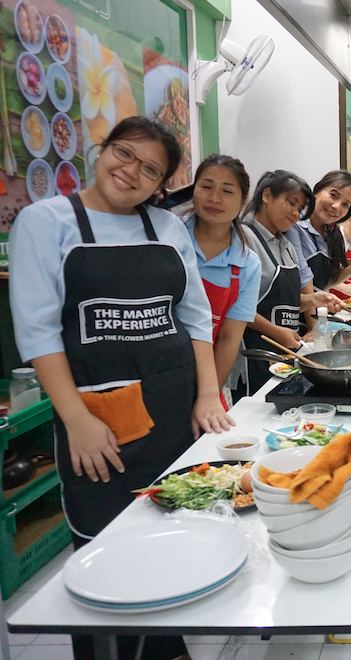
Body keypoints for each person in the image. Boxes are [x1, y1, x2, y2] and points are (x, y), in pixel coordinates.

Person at [9, 117, 233, 660]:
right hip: (100, 422)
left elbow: (196, 318)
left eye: (150, 169)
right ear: (101, 150)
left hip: (176, 410)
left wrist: (208, 395)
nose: (131, 172)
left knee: (177, 533)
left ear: (160, 185)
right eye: (124, 154)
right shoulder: (46, 223)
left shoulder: (166, 228)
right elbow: (38, 333)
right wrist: (76, 420)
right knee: (105, 556)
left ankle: (167, 649)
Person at [239, 171, 344, 396]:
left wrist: (313, 299)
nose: (296, 214)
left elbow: (286, 300)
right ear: (267, 196)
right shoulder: (244, 239)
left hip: (283, 353)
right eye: (291, 203)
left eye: (300, 209)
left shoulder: (285, 244)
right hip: (253, 353)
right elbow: (237, 307)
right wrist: (277, 332)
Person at [184, 154, 261, 406]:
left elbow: (229, 338)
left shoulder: (247, 263)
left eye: (227, 191)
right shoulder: (169, 240)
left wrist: (207, 396)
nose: (214, 198)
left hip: (207, 376)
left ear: (243, 201)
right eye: (206, 187)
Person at [290, 170, 351, 291]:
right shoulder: (295, 224)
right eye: (333, 195)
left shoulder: (331, 232)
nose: (336, 206)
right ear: (317, 191)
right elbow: (304, 278)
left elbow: (323, 283)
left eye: (345, 205)